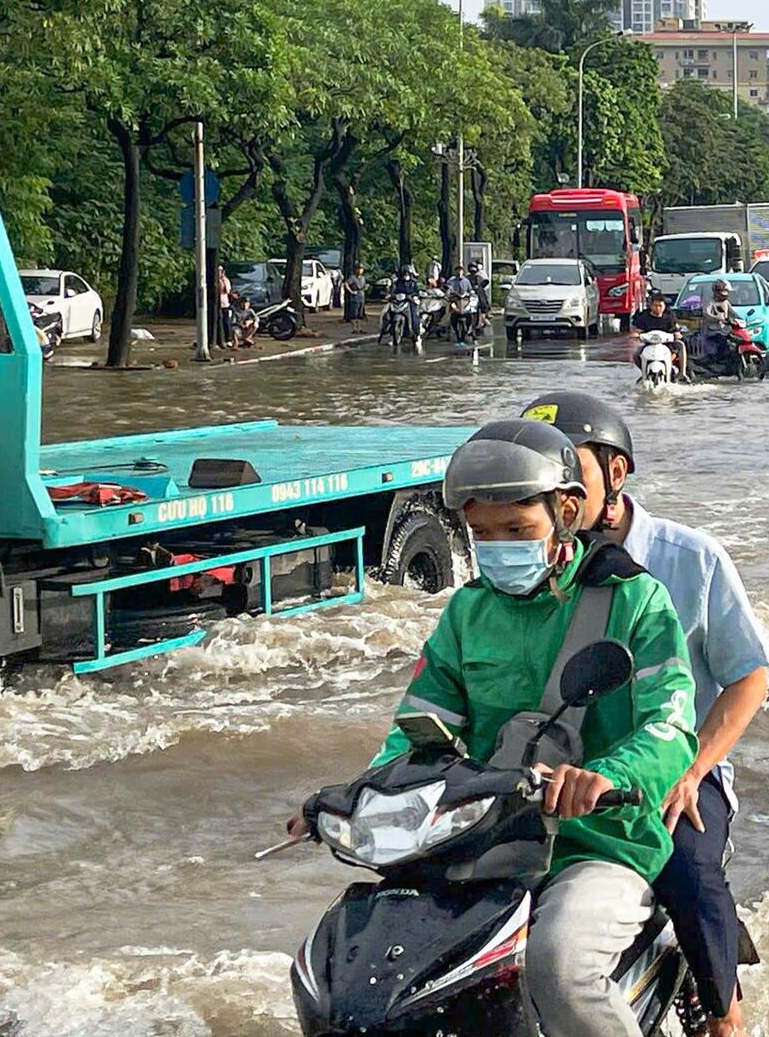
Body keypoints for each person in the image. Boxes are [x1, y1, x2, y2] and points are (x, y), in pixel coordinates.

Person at [289, 418, 698, 1037]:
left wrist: (603, 778)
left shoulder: (636, 602)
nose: (500, 546)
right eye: (483, 534)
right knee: (347, 974)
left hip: (596, 844)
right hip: (479, 845)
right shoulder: (466, 612)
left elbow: (670, 728)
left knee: (558, 968)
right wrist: (353, 797)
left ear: (565, 512)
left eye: (517, 529)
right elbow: (419, 732)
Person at [519, 394, 769, 1037]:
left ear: (617, 474)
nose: (555, 488)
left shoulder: (692, 558)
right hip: (560, 772)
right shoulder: (532, 565)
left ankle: (726, 1014)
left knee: (685, 866)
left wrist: (691, 771)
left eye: (567, 467)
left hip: (676, 767)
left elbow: (748, 680)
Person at [632, 291, 690, 382]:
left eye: (660, 306)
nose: (658, 308)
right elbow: (637, 331)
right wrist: (636, 335)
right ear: (651, 306)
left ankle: (682, 373)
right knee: (636, 355)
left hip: (668, 345)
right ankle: (644, 372)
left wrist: (677, 335)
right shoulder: (644, 317)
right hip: (649, 344)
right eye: (655, 305)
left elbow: (676, 330)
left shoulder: (669, 316)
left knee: (681, 345)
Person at [391, 263, 423, 339]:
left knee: (414, 315)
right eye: (404, 273)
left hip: (410, 302)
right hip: (400, 302)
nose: (406, 275)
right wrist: (393, 295)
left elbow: (417, 292)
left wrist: (413, 296)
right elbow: (393, 291)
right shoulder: (397, 282)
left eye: (407, 273)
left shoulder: (413, 283)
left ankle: (415, 333)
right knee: (389, 311)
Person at [342, 263, 366, 331]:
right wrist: (351, 291)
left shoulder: (363, 278)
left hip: (361, 296)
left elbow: (364, 286)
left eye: (361, 269)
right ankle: (354, 328)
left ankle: (360, 328)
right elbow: (346, 284)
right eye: (358, 269)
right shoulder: (352, 277)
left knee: (360, 314)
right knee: (354, 314)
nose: (360, 270)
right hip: (355, 297)